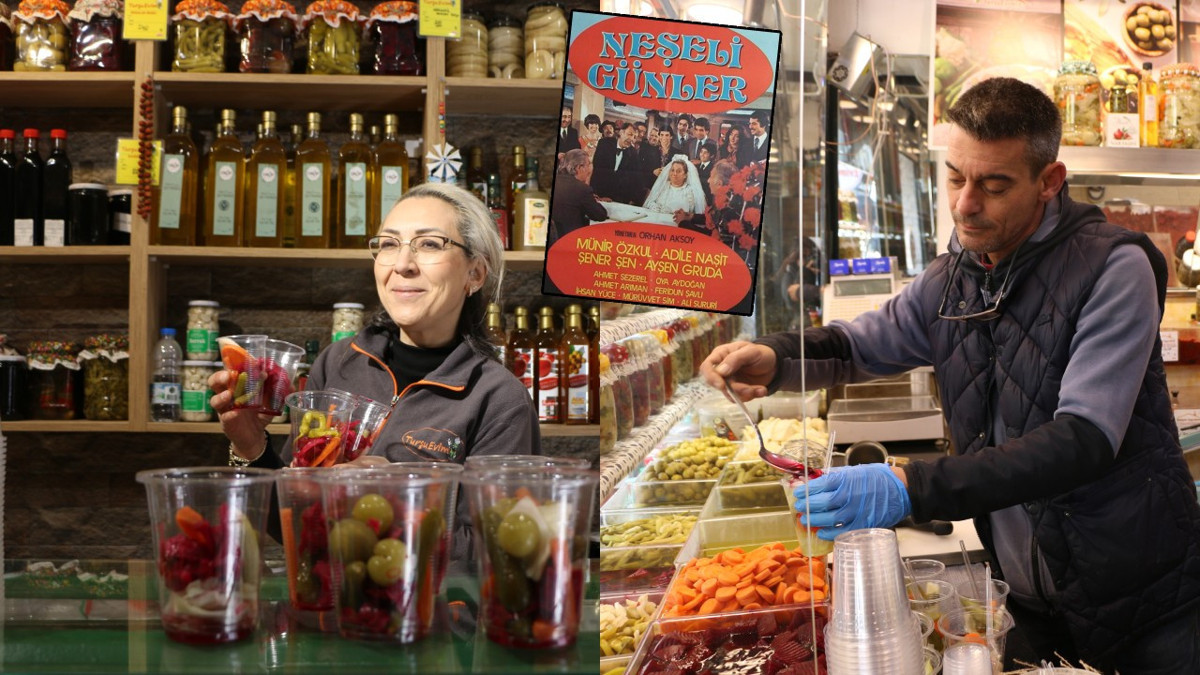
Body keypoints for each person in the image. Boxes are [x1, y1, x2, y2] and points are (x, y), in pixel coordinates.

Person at [700, 78, 1200, 673]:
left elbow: (1083, 439)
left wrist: (911, 486)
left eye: (994, 186)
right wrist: (777, 356)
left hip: (1143, 596)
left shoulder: (1115, 267)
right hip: (1032, 600)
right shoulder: (955, 276)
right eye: (956, 178)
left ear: (1049, 181)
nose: (965, 204)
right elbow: (860, 344)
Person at [550, 149, 607, 239]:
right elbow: (600, 215)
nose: (589, 169)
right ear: (579, 168)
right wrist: (593, 199)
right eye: (588, 165)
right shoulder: (582, 189)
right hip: (572, 239)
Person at [592, 123, 643, 205]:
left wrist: (632, 199)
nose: (631, 139)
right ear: (621, 132)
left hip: (618, 198)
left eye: (634, 137)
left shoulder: (633, 153)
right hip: (599, 194)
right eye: (629, 134)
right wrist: (595, 194)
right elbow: (596, 170)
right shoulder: (604, 143)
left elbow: (636, 178)